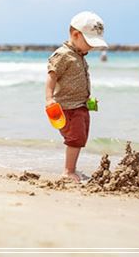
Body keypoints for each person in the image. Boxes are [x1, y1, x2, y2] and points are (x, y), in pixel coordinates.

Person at [45, 11, 108, 182]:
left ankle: (71, 168)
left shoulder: (79, 55)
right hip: (68, 107)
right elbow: (52, 75)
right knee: (75, 138)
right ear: (75, 35)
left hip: (80, 104)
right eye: (90, 42)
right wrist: (49, 98)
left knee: (80, 137)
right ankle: (68, 171)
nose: (92, 47)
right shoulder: (63, 54)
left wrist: (88, 100)